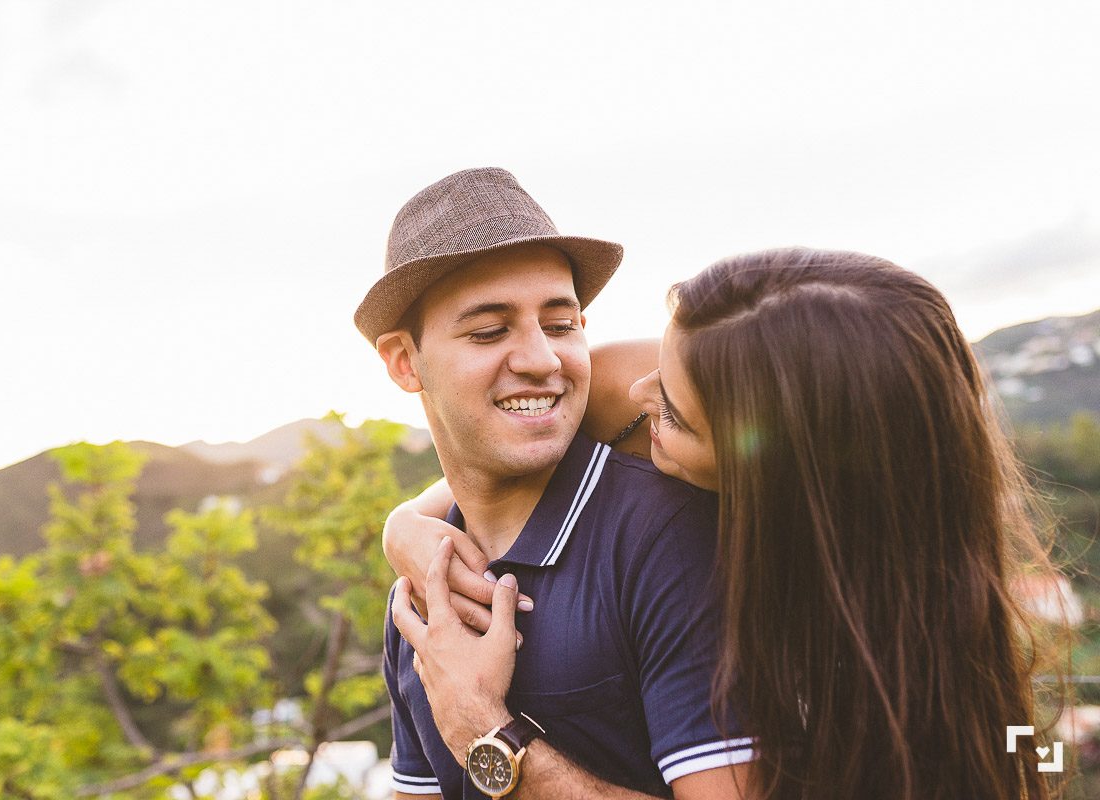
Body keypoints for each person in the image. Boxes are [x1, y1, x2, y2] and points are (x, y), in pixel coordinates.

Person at [388, 247, 1059, 800]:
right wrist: (408, 527)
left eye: (673, 415)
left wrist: (489, 732)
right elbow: (493, 449)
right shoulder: (694, 363)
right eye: (658, 370)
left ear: (777, 471)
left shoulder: (908, 657)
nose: (639, 399)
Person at [356, 168, 753, 799]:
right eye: (489, 331)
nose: (541, 359)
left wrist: (484, 731)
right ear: (406, 362)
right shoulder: (423, 583)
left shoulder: (667, 535)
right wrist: (398, 525)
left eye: (561, 324)